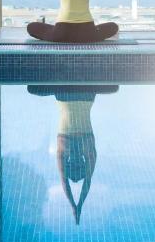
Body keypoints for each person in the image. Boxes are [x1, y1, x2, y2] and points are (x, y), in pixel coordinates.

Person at [27, 84, 118, 224]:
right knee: (32, 89)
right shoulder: (64, 152)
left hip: (84, 95)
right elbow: (66, 182)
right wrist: (75, 205)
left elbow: (86, 181)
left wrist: (78, 205)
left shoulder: (88, 151)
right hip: (65, 94)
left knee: (114, 88)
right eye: (77, 165)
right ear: (77, 163)